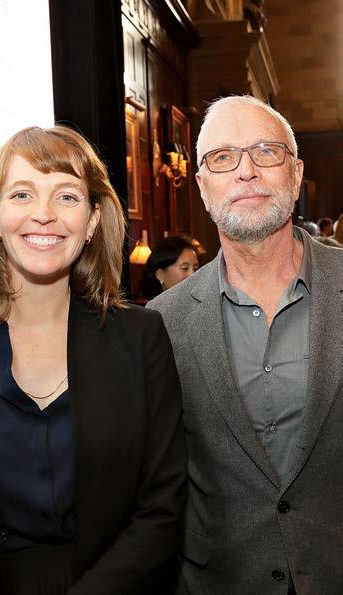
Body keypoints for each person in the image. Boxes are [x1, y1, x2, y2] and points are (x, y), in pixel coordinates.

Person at [0, 125, 186, 595]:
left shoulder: (142, 338)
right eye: (22, 194)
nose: (44, 214)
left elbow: (162, 507)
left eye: (67, 197)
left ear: (92, 221)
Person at [147, 95, 343, 594]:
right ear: (202, 186)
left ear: (296, 173)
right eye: (223, 157)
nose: (246, 171)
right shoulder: (161, 322)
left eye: (266, 151)